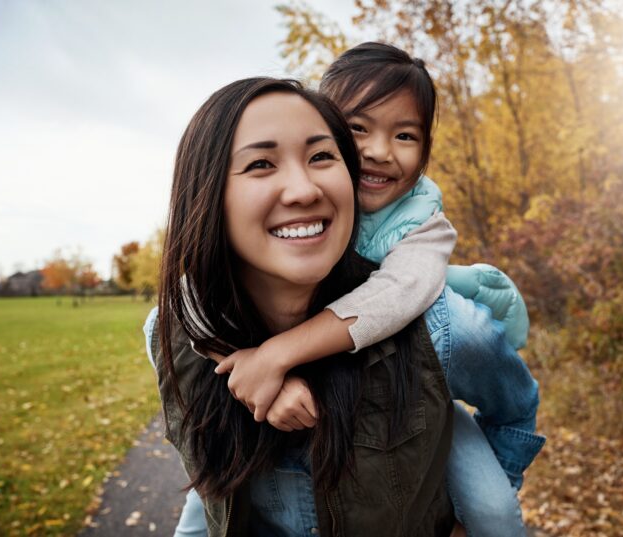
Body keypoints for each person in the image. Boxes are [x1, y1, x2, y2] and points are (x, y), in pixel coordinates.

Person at [166, 43, 544, 537]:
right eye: (358, 129)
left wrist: (277, 355)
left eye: (405, 134)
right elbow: (182, 304)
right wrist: (250, 368)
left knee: (494, 512)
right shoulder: (186, 318)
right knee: (201, 510)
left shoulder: (423, 230)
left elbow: (401, 292)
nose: (379, 151)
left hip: (427, 400)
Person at [147, 77, 457, 536]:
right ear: (206, 195)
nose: (303, 190)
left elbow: (512, 408)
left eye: (320, 156)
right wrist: (245, 372)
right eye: (260, 164)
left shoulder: (445, 325)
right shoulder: (169, 332)